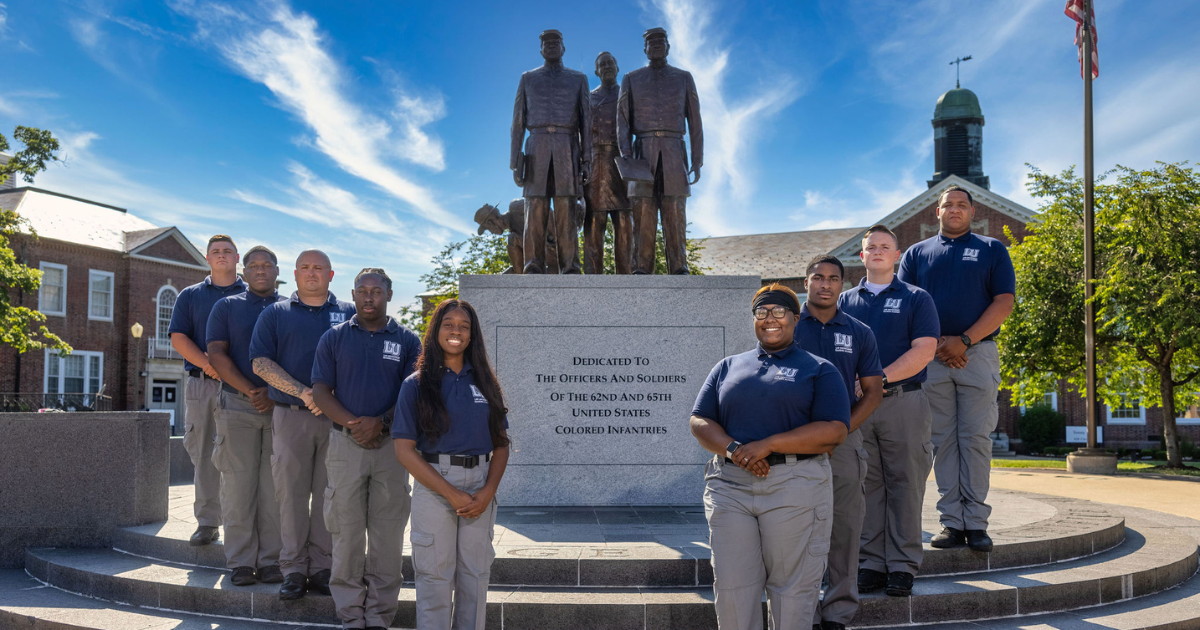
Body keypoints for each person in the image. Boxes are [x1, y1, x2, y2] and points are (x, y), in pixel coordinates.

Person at [690, 284, 850, 630]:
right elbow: (700, 420)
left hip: (795, 486)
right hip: (730, 487)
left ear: (796, 318)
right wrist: (736, 450)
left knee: (792, 589)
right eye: (761, 313)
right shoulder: (727, 367)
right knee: (733, 588)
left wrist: (769, 444)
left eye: (779, 312)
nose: (770, 319)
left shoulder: (819, 370)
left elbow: (835, 431)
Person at [898, 186, 1015, 553]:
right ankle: (951, 523)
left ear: (972, 211)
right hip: (930, 359)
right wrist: (937, 345)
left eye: (962, 204)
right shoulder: (917, 254)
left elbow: (1004, 301)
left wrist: (962, 341)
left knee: (976, 440)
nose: (955, 209)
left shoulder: (992, 249)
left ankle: (976, 523)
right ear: (937, 211)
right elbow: (906, 306)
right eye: (948, 204)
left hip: (977, 355)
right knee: (942, 442)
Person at [312, 268, 421, 630]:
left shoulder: (408, 341)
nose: (369, 297)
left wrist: (382, 424)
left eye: (377, 291)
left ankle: (379, 616)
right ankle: (351, 616)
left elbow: (413, 394)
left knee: (388, 535)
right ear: (354, 295)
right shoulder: (334, 338)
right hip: (346, 446)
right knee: (345, 532)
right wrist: (356, 425)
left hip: (393, 449)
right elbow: (321, 392)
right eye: (363, 291)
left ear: (389, 295)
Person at [392, 299, 511, 630]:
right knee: (435, 575)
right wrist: (450, 493)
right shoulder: (416, 384)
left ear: (472, 335)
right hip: (434, 486)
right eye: (448, 324)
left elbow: (502, 444)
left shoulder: (486, 382)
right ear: (435, 331)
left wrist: (488, 491)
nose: (456, 330)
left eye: (464, 325)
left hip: (479, 484)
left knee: (475, 576)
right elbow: (404, 450)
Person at [839, 225, 940, 597]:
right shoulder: (845, 302)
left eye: (886, 247)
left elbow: (924, 350)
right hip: (858, 408)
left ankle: (901, 566)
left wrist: (876, 379)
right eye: (871, 247)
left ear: (897, 256)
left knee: (907, 485)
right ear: (861, 256)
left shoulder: (917, 298)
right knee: (866, 486)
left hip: (904, 402)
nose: (878, 251)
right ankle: (871, 563)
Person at [250, 250, 356, 600]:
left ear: (331, 274)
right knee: (291, 496)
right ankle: (293, 569)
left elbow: (360, 362)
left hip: (336, 421)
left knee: (331, 495)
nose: (312, 273)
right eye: (306, 268)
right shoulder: (275, 313)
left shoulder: (349, 314)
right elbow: (261, 363)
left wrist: (329, 399)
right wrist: (305, 393)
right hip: (291, 416)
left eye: (319, 268)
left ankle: (324, 567)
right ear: (295, 275)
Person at [793, 255, 883, 630]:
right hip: (793, 442)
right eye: (818, 277)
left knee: (845, 528)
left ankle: (838, 613)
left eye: (833, 279)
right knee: (796, 529)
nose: (825, 284)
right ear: (806, 282)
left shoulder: (859, 331)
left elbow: (874, 391)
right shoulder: (789, 323)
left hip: (844, 441)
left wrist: (841, 432)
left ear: (842, 286)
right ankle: (801, 612)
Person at [206, 245, 287, 587]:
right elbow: (216, 354)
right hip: (237, 406)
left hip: (281, 409)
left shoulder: (290, 308)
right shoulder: (226, 306)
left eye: (267, 265)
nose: (260, 270)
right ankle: (240, 561)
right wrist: (252, 390)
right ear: (245, 270)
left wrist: (274, 391)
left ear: (277, 270)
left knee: (275, 490)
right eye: (253, 265)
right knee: (238, 487)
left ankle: (271, 561)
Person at [169, 234, 246, 546]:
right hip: (202, 385)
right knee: (203, 454)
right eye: (216, 251)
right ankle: (208, 522)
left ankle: (242, 523)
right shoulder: (190, 295)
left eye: (228, 251)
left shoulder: (253, 295)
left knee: (243, 455)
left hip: (242, 387)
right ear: (207, 258)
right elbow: (178, 337)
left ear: (237, 257)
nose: (222, 255)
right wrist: (210, 364)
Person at [617, 27, 703, 275]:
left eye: (660, 42)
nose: (655, 45)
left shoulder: (683, 77)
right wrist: (626, 155)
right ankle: (642, 266)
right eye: (651, 43)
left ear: (668, 46)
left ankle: (679, 265)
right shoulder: (631, 78)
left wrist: (697, 159)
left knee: (674, 210)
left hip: (675, 150)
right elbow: (622, 120)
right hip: (642, 151)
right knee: (643, 211)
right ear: (644, 49)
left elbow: (695, 120)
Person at [510, 29, 591, 274]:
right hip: (537, 146)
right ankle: (533, 262)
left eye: (556, 42)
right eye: (546, 43)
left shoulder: (579, 79)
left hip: (567, 146)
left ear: (563, 47)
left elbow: (586, 123)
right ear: (541, 49)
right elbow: (517, 121)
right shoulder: (528, 78)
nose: (551, 46)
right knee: (534, 207)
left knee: (566, 207)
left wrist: (587, 159)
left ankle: (570, 265)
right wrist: (515, 161)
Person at [583, 51, 632, 274]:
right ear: (596, 71)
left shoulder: (628, 94)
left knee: (624, 221)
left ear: (617, 67)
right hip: (596, 164)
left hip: (622, 161)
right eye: (602, 65)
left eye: (611, 63)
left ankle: (626, 276)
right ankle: (593, 278)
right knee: (594, 221)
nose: (607, 67)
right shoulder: (589, 98)